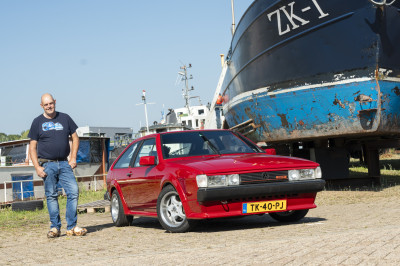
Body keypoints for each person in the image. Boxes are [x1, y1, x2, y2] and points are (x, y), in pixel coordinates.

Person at [28, 93, 87, 238]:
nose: (49, 106)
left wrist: (73, 158)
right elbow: (32, 146)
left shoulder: (65, 118)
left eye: (51, 103)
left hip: (64, 163)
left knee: (73, 191)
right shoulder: (37, 122)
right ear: (42, 106)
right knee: (51, 196)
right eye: (46, 104)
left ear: (55, 102)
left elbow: (75, 137)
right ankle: (55, 228)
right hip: (47, 165)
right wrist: (37, 167)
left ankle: (72, 227)